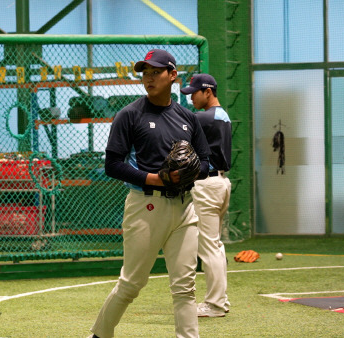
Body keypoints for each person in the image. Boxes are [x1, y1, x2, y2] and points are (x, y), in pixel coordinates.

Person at [88, 49, 210, 338]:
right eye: (145, 73)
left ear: (172, 75)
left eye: (156, 72)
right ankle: (99, 335)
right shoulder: (129, 115)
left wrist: (190, 172)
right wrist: (155, 178)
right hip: (146, 207)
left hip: (183, 208)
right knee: (131, 283)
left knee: (185, 287)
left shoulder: (188, 118)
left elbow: (205, 163)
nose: (149, 77)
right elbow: (113, 165)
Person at [180, 74, 233, 317]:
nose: (191, 98)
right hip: (221, 183)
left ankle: (215, 304)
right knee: (216, 245)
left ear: (208, 92)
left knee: (209, 247)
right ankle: (220, 300)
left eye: (194, 93)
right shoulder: (222, 114)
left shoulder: (203, 117)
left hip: (207, 184)